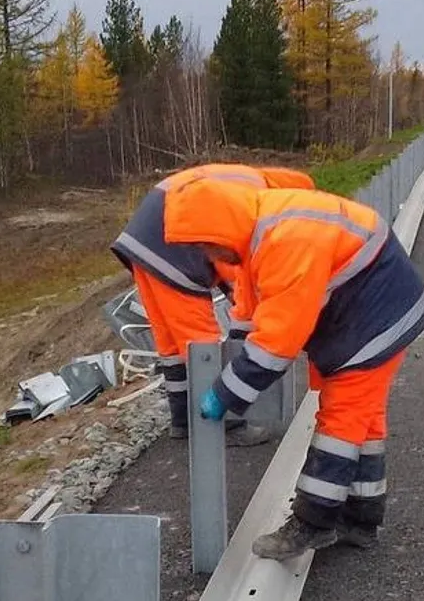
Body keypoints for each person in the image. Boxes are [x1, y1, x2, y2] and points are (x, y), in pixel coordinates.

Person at [161, 177, 424, 559]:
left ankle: (313, 523)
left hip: (378, 318)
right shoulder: (257, 229)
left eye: (206, 243)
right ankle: (360, 520)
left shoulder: (285, 240)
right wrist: (234, 348)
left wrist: (226, 393)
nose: (209, 255)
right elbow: (253, 303)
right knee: (363, 422)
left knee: (340, 420)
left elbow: (279, 339)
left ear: (220, 226)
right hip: (376, 308)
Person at [109, 163, 315, 447]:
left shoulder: (249, 184)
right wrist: (251, 323)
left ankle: (183, 419)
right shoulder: (258, 203)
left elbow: (233, 263)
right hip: (174, 243)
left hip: (145, 240)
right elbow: (241, 268)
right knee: (200, 341)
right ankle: (224, 424)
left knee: (172, 341)